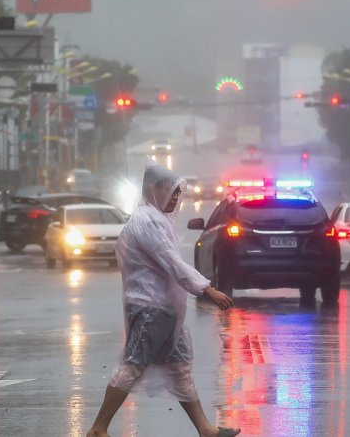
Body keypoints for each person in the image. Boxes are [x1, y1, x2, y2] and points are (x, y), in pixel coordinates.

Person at [87, 160, 241, 437]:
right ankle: (99, 428)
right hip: (150, 308)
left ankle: (205, 429)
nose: (175, 198)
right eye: (171, 192)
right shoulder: (146, 221)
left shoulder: (157, 220)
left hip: (167, 311)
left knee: (180, 368)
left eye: (178, 193)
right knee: (132, 364)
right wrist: (207, 289)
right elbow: (171, 262)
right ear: (154, 190)